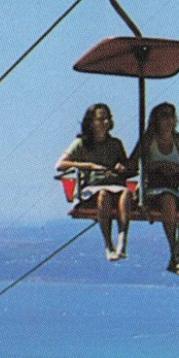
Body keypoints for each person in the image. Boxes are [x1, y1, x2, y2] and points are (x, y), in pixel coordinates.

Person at [130, 102, 179, 277]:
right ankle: (175, 253)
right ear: (156, 119)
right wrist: (156, 165)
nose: (168, 120)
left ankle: (178, 252)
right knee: (168, 199)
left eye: (171, 116)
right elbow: (133, 164)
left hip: (173, 187)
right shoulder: (149, 140)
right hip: (152, 190)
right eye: (163, 116)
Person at [57, 103, 133, 261]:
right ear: (91, 122)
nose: (105, 122)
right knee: (103, 195)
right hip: (91, 188)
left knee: (125, 193)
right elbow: (60, 165)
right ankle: (108, 244)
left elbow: (127, 166)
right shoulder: (82, 144)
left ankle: (122, 239)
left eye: (107, 118)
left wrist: (122, 167)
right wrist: (89, 166)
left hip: (115, 184)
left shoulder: (115, 144)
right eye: (101, 119)